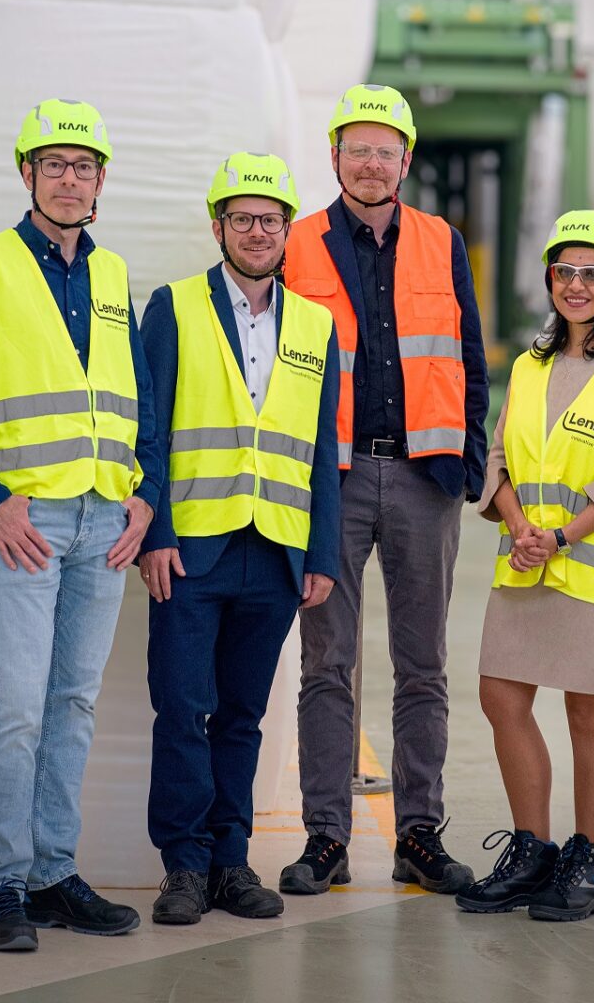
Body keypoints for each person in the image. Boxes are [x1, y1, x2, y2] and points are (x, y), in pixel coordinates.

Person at [0, 98, 162, 951]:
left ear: (102, 181)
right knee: (19, 710)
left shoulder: (110, 276)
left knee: (72, 704)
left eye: (85, 166)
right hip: (25, 524)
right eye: (55, 165)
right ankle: (0, 885)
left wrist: (145, 495)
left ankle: (52, 874)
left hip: (105, 520)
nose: (71, 179)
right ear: (28, 174)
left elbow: (134, 400)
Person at [280, 83, 489, 895]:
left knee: (423, 665)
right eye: (356, 147)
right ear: (334, 157)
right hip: (329, 480)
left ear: (406, 159)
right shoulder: (296, 245)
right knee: (327, 664)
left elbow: (470, 356)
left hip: (422, 477)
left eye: (385, 148)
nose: (371, 162)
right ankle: (326, 838)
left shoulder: (443, 241)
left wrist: (467, 465)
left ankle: (418, 835)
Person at [455, 210, 594, 921]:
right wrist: (521, 525)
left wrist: (560, 537)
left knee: (589, 711)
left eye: (593, 273)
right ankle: (532, 851)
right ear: (550, 278)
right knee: (501, 696)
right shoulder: (530, 365)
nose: (577, 285)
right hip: (527, 562)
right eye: (565, 271)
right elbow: (498, 457)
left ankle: (586, 861)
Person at [138, 152, 340, 925]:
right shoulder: (175, 306)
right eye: (243, 218)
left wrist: (319, 553)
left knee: (243, 716)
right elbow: (148, 431)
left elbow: (322, 446)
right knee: (183, 709)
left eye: (270, 219)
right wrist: (154, 527)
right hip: (190, 549)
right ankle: (184, 867)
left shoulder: (314, 324)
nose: (257, 232)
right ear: (217, 225)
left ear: (288, 231)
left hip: (277, 552)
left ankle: (230, 861)